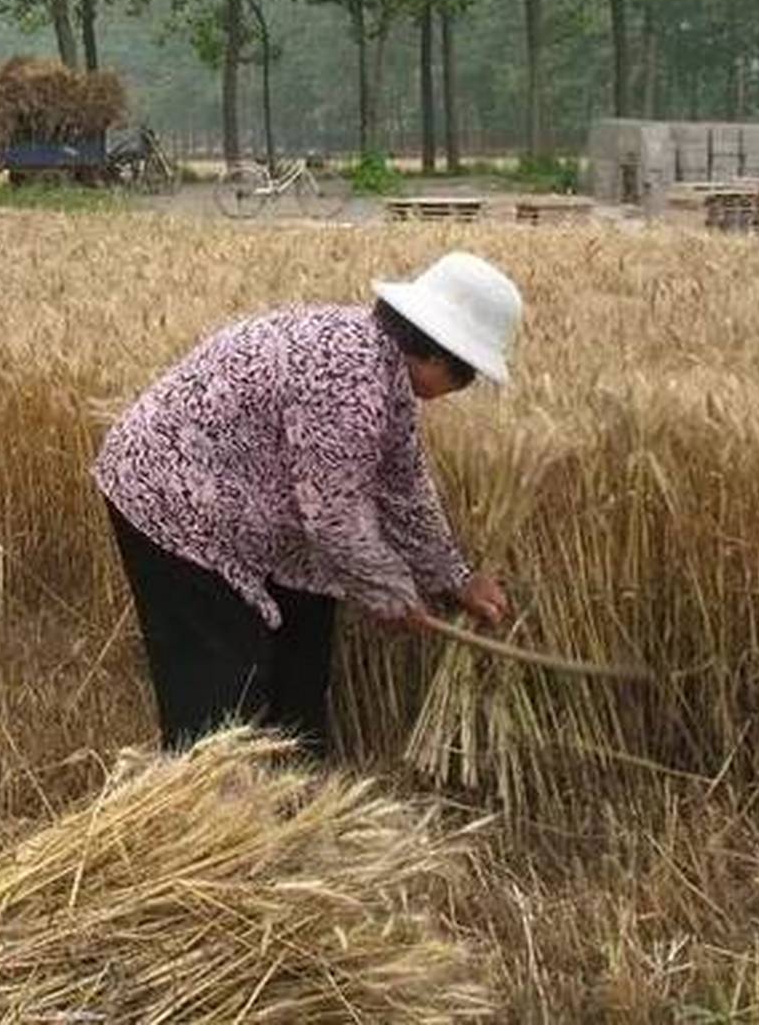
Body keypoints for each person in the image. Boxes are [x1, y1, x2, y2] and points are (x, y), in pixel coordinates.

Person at [92, 251, 522, 759]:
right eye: (466, 375)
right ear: (436, 354)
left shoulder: (384, 368)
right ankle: (206, 809)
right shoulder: (351, 379)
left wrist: (454, 576)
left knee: (303, 636)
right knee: (222, 674)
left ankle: (291, 788)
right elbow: (336, 520)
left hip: (234, 498)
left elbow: (404, 487)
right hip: (169, 498)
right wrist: (393, 595)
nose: (460, 390)